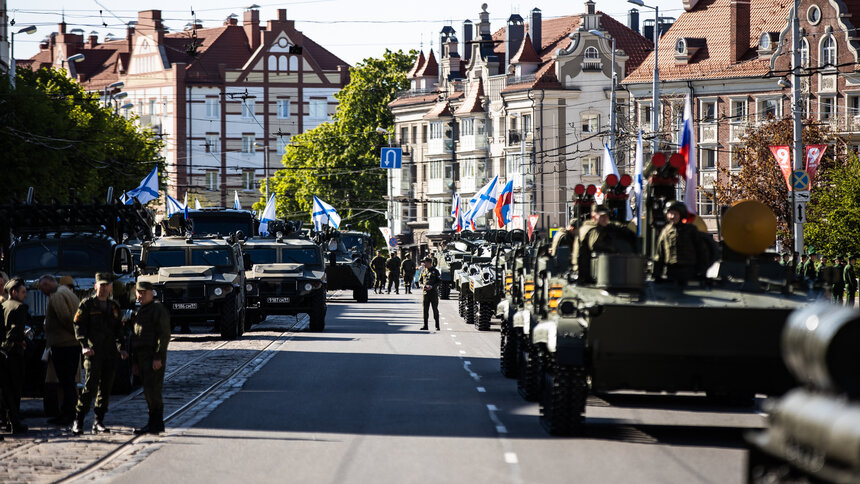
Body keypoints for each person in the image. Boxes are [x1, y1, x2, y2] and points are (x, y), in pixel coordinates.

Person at [71, 273, 128, 435]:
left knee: (106, 388)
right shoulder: (87, 305)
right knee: (90, 387)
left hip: (110, 353)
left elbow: (119, 330)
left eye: (106, 285)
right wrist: (84, 345)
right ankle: (79, 420)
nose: (104, 289)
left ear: (111, 287)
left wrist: (122, 348)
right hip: (93, 352)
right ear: (95, 286)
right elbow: (78, 325)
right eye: (101, 285)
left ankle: (98, 421)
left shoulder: (114, 306)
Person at [38, 275, 82, 426]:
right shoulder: (67, 292)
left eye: (42, 287)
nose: (42, 291)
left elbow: (65, 317)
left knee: (65, 382)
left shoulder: (56, 295)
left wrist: (75, 333)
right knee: (69, 382)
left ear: (49, 283)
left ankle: (67, 415)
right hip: (71, 344)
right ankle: (68, 413)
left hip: (63, 345)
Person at [131, 281, 171, 435]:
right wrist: (134, 362)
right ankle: (154, 424)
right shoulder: (142, 311)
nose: (140, 296)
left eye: (143, 293)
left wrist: (158, 357)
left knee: (153, 390)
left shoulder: (157, 309)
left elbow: (164, 335)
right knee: (148, 390)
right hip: (141, 357)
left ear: (151, 293)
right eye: (138, 293)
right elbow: (136, 338)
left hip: (152, 357)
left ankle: (156, 423)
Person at [654, 201, 707, 286]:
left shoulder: (691, 230)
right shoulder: (665, 231)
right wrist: (657, 273)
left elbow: (701, 251)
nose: (672, 216)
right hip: (671, 271)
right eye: (670, 213)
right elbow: (660, 254)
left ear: (681, 215)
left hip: (688, 271)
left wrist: (702, 271)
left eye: (675, 214)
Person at [1, 278, 30, 434]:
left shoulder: (3, 305)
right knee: (16, 389)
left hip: (3, 353)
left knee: (5, 389)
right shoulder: (20, 307)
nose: (25, 295)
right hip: (14, 353)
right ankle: (15, 422)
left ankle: (7, 421)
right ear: (14, 292)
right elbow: (16, 331)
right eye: (23, 292)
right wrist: (22, 339)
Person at [419, 257, 441, 331]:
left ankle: (437, 325)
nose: (423, 264)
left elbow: (439, 282)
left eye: (424, 262)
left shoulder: (435, 271)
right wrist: (423, 286)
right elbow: (420, 282)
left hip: (433, 293)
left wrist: (432, 286)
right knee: (425, 310)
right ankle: (425, 325)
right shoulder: (423, 271)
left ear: (429, 263)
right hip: (425, 293)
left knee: (435, 309)